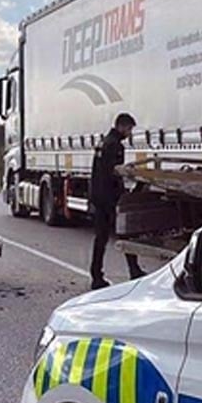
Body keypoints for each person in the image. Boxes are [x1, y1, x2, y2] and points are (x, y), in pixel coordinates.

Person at [89, 112, 135, 289]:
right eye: (129, 129)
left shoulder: (104, 142)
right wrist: (127, 171)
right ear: (121, 126)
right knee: (124, 232)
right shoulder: (115, 145)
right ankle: (133, 270)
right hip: (109, 196)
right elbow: (113, 171)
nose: (129, 133)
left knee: (101, 237)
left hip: (99, 195)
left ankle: (97, 274)